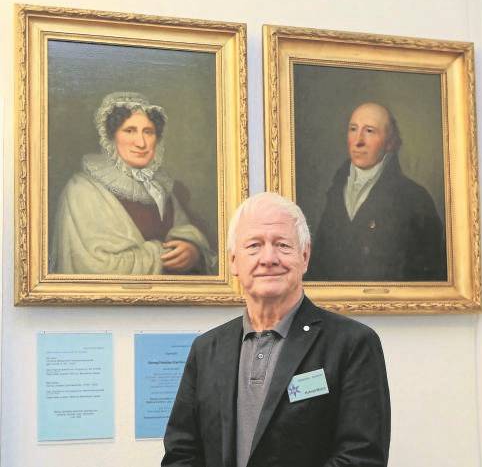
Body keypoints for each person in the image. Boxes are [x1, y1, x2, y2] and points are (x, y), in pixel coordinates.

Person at [162, 192, 390, 467]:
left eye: (282, 245)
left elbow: (361, 457)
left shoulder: (353, 344)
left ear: (304, 257)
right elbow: (181, 454)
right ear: (233, 261)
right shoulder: (206, 349)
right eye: (254, 245)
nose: (268, 258)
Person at [50, 91, 216, 275]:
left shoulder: (160, 188)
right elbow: (93, 265)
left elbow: (183, 232)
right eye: (129, 131)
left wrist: (192, 250)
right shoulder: (81, 190)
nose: (141, 143)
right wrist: (162, 254)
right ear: (111, 138)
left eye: (148, 132)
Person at [307, 102, 447, 282]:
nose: (358, 141)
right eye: (353, 129)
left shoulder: (416, 199)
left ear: (390, 143)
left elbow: (430, 277)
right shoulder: (335, 192)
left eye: (369, 131)